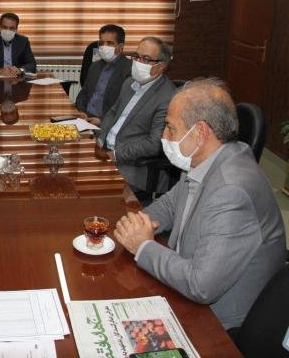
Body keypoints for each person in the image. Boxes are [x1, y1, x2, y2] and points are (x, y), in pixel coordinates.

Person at [113, 78, 286, 330]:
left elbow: (201, 285)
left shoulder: (232, 191)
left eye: (170, 128)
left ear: (201, 132)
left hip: (219, 323)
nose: (163, 136)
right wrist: (135, 225)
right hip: (183, 284)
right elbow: (169, 206)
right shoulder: (203, 159)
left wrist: (143, 246)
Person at [96, 36, 176, 203]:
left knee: (93, 197)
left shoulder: (168, 97)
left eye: (145, 59)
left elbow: (153, 144)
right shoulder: (129, 83)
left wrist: (115, 155)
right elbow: (112, 113)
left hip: (133, 167)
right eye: (136, 56)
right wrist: (100, 140)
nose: (138, 62)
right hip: (105, 153)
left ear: (161, 66)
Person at [74, 24, 132, 125]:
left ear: (120, 46)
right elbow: (84, 93)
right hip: (85, 118)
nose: (104, 46)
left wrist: (102, 121)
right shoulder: (95, 66)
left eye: (110, 43)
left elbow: (126, 106)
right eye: (101, 43)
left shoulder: (129, 69)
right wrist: (81, 111)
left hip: (106, 123)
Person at [0, 12, 37, 76]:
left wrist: (20, 70)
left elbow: (32, 64)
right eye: (5, 27)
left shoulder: (23, 41)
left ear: (16, 29)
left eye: (11, 28)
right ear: (0, 27)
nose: (8, 31)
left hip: (16, 80)